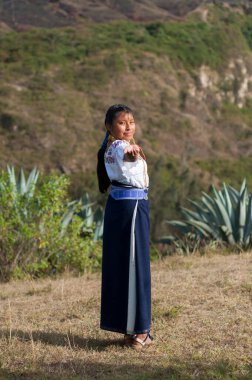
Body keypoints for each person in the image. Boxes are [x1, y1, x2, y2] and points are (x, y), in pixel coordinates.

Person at [97, 104, 154, 350]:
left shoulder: (108, 148)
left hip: (120, 207)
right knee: (136, 266)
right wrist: (132, 151)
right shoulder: (120, 146)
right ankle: (141, 331)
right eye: (122, 122)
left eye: (131, 121)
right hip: (131, 209)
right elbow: (128, 152)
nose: (128, 126)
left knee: (122, 266)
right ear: (109, 127)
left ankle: (129, 328)